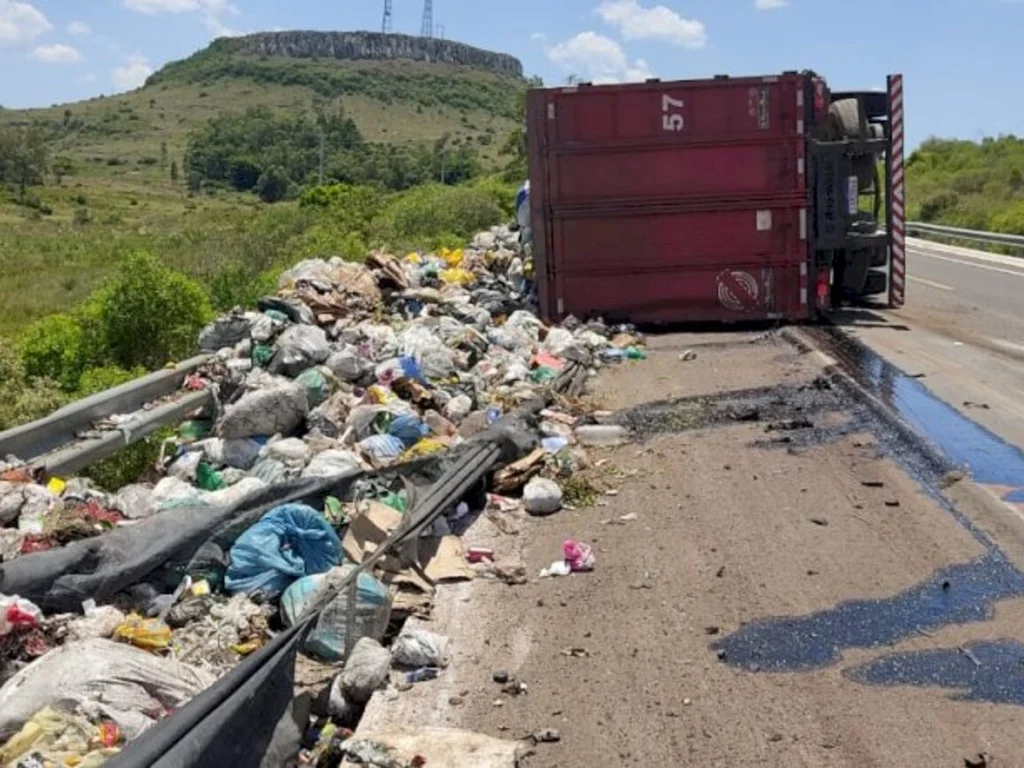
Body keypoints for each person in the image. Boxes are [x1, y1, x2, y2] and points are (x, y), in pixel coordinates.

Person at [515, 180, 531, 250]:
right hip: (526, 214)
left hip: (522, 213)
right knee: (528, 231)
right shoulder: (524, 191)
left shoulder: (521, 191)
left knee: (525, 230)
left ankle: (522, 248)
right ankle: (524, 247)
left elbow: (517, 206)